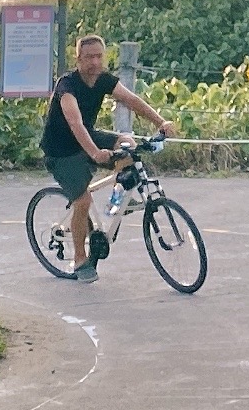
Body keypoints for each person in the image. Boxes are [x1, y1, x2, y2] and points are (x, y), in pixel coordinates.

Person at [43, 32, 171, 283]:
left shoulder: (103, 80)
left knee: (128, 144)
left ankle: (118, 199)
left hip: (88, 137)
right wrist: (94, 152)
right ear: (77, 58)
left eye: (99, 56)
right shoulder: (66, 85)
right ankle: (80, 261)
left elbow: (132, 100)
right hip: (62, 151)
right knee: (82, 202)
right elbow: (75, 122)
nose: (94, 62)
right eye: (89, 57)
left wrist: (161, 122)